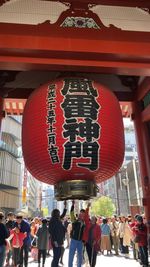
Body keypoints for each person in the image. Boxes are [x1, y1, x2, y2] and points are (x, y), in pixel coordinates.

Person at [68, 201, 90, 267]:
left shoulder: (85, 223)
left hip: (80, 242)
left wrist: (88, 207)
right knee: (71, 255)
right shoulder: (75, 221)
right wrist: (72, 205)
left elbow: (87, 214)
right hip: (73, 241)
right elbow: (71, 214)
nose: (81, 215)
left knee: (80, 256)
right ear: (79, 214)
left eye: (83, 214)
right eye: (81, 214)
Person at [49, 201, 67, 267]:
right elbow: (51, 232)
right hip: (55, 241)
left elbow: (63, 215)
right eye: (58, 213)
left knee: (58, 255)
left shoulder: (57, 219)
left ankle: (55, 265)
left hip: (59, 240)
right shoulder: (52, 221)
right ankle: (54, 265)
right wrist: (55, 241)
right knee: (56, 255)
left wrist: (65, 207)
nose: (59, 214)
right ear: (55, 214)